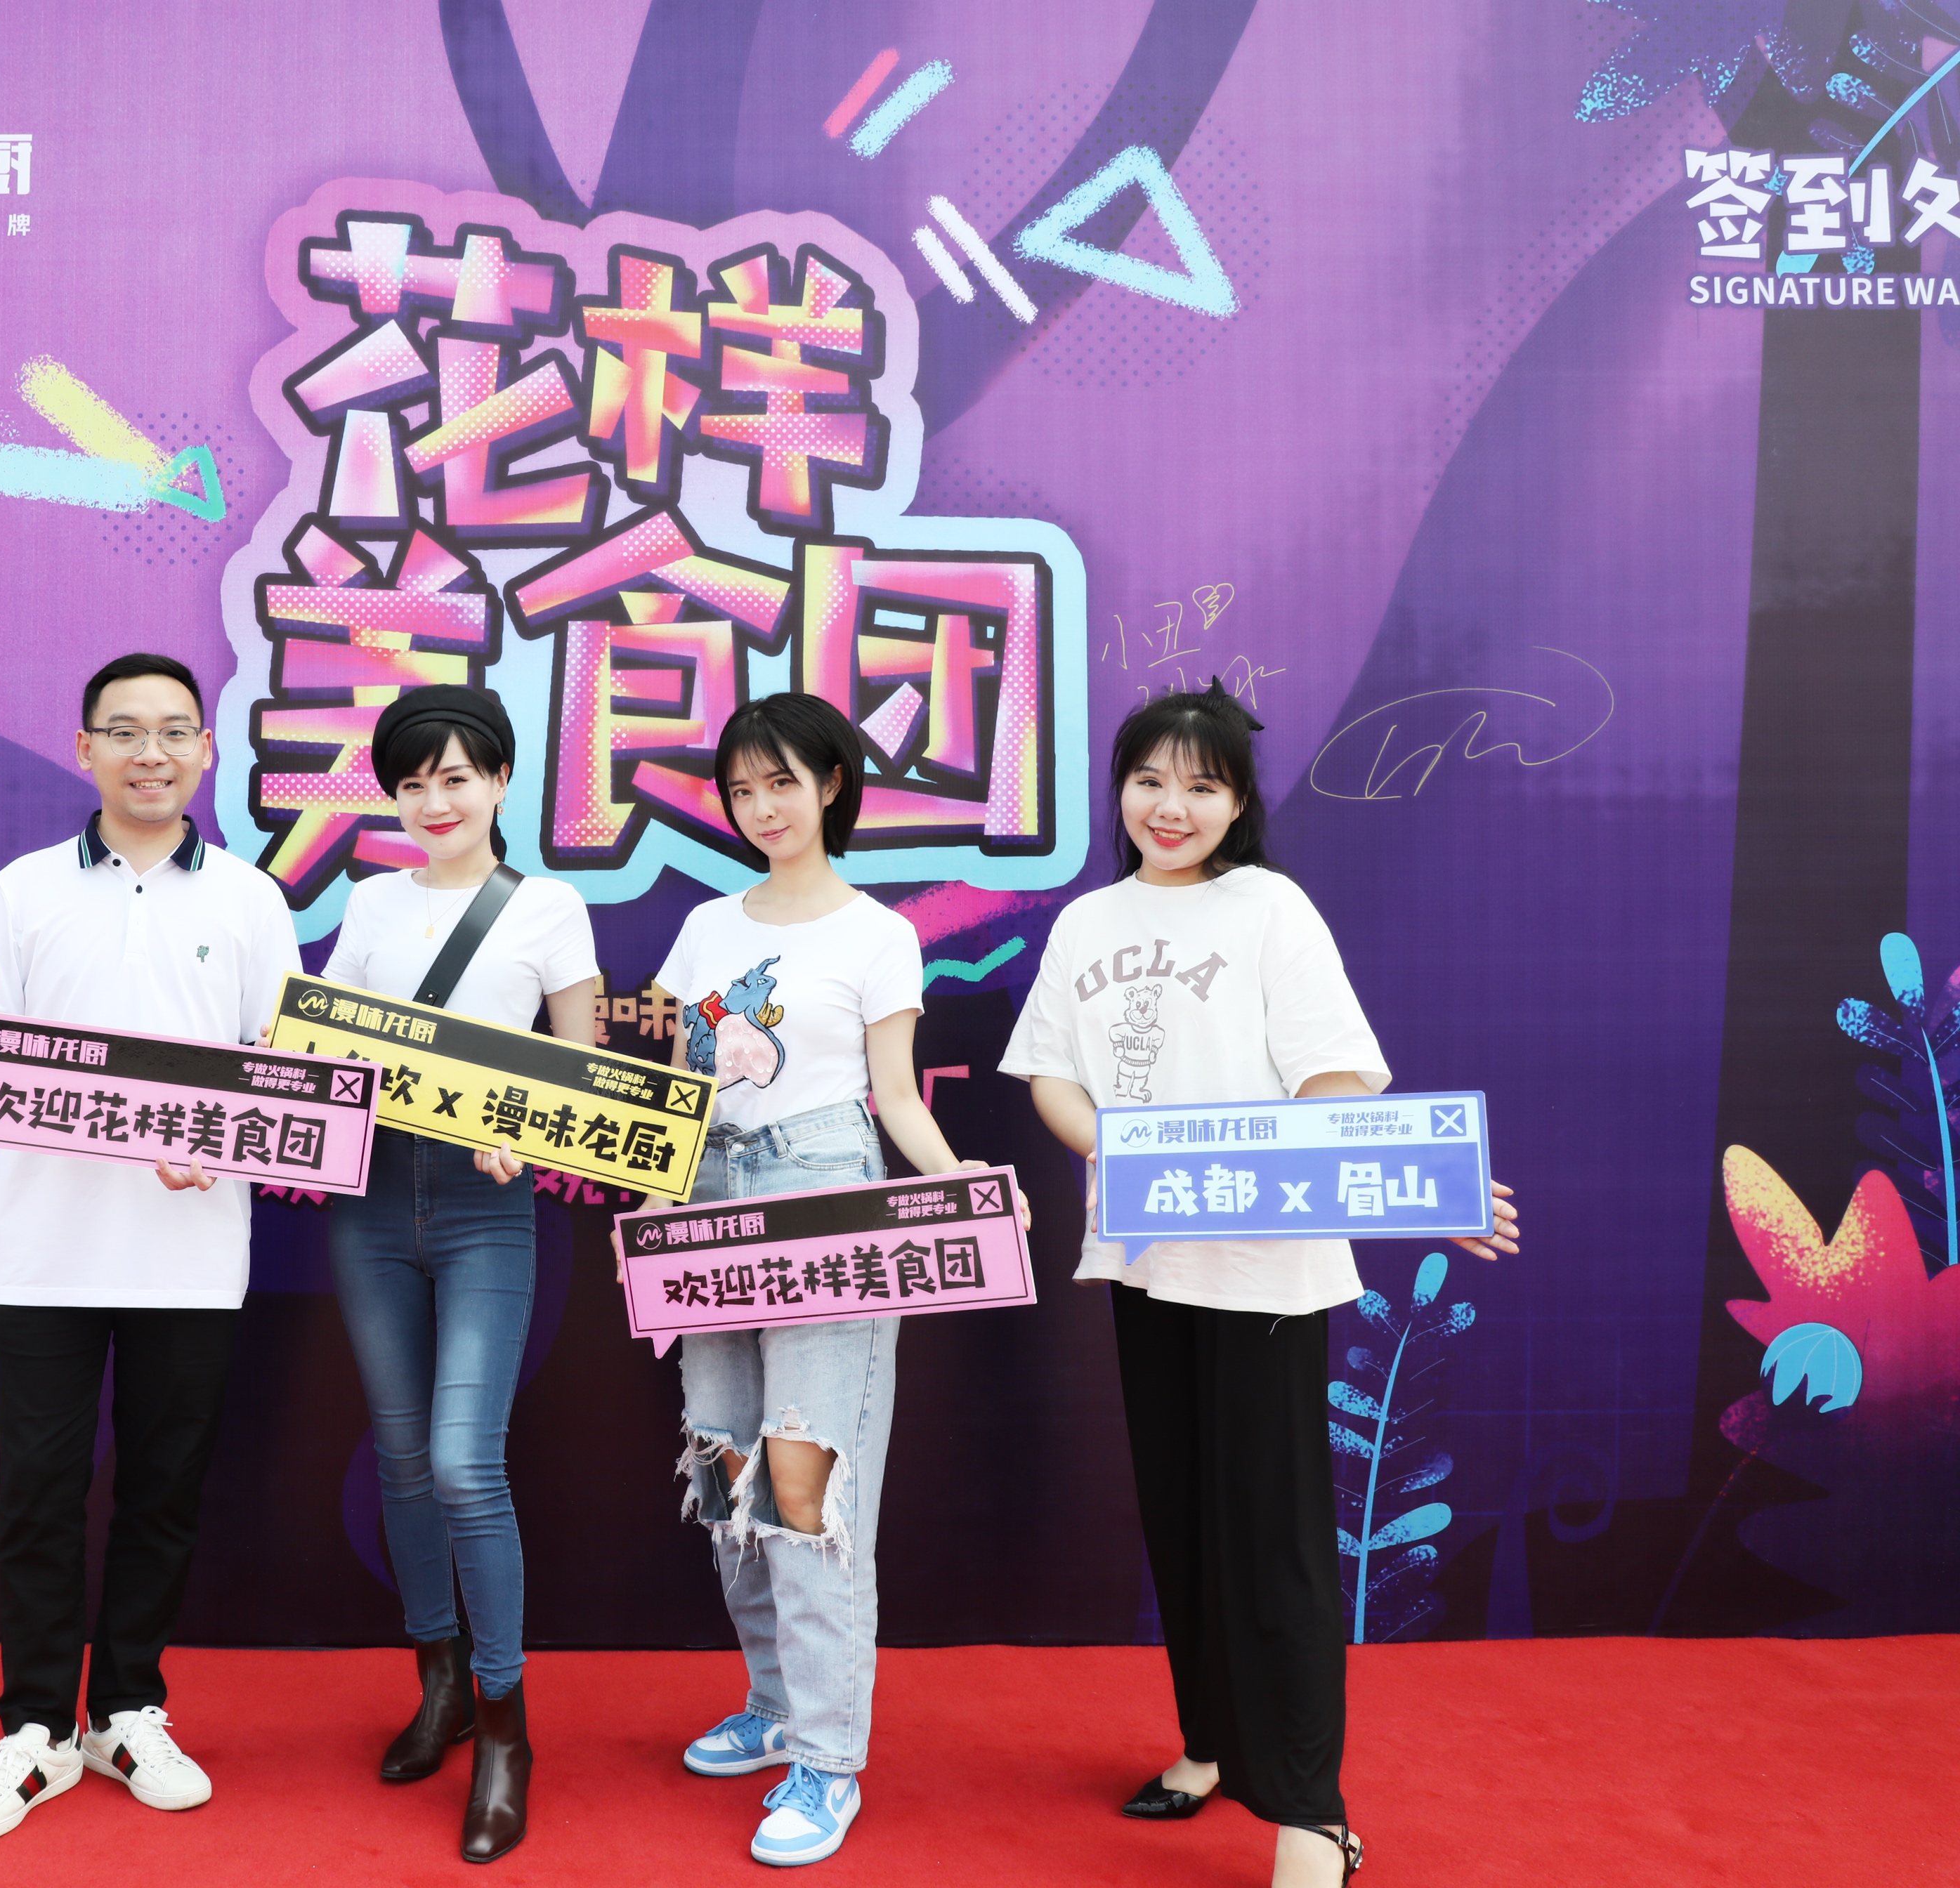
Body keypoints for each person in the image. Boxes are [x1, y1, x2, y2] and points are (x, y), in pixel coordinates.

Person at [1002, 678, 1520, 1888]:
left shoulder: (1271, 909)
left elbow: (1335, 1076)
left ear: (1237, 804)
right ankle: (1210, 1746)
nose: (1170, 806)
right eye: (1149, 780)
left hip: (1266, 1276)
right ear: (1119, 790)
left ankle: (1311, 1816)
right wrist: (1127, 1157)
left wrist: (1412, 1184)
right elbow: (1054, 1077)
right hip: (1144, 1260)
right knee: (1182, 1518)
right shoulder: (1087, 922)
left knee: (1275, 1543)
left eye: (1201, 785)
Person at [0, 653, 302, 1847]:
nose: (151, 752)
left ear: (207, 750)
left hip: (191, 1254)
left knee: (162, 1494)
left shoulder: (251, 899)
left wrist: (226, 1146)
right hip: (47, 1251)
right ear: (84, 747)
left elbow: (284, 1072)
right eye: (125, 731)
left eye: (175, 730)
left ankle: (128, 1710)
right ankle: (36, 1729)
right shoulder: (23, 890)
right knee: (39, 1493)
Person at [651, 692, 1021, 1870]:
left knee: (806, 1486)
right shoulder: (705, 928)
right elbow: (681, 1096)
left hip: (824, 1190)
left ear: (832, 785)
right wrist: (656, 1208)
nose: (762, 808)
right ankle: (772, 1707)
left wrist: (961, 1188)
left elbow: (896, 1099)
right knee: (729, 1471)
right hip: (708, 1200)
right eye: (742, 789)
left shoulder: (876, 934)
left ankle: (827, 1759)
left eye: (783, 783)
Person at [322, 683, 600, 1864]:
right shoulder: (370, 902)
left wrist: (528, 1131)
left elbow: (583, 1073)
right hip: (372, 1204)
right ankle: (434, 1683)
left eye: (455, 778)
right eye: (411, 783)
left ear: (499, 781)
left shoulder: (548, 907)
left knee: (460, 1463)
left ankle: (503, 1728)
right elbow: (325, 1044)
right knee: (399, 1459)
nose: (434, 801)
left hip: (490, 1209)